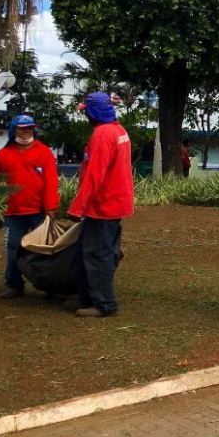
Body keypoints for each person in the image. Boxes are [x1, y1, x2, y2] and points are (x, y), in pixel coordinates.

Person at [68, 92, 135, 317]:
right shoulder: (118, 130)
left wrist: (78, 207)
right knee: (96, 251)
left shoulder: (102, 135)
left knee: (97, 254)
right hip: (115, 203)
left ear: (93, 112)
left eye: (85, 111)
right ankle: (87, 297)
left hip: (103, 205)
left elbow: (94, 175)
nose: (85, 115)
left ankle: (104, 304)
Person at [0, 114, 59, 299]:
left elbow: (51, 181)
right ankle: (14, 285)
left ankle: (50, 287)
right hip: (15, 212)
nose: (26, 132)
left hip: (40, 212)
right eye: (22, 128)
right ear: (14, 130)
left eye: (29, 128)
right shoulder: (4, 154)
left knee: (42, 250)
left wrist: (51, 207)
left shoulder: (44, 152)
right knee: (13, 249)